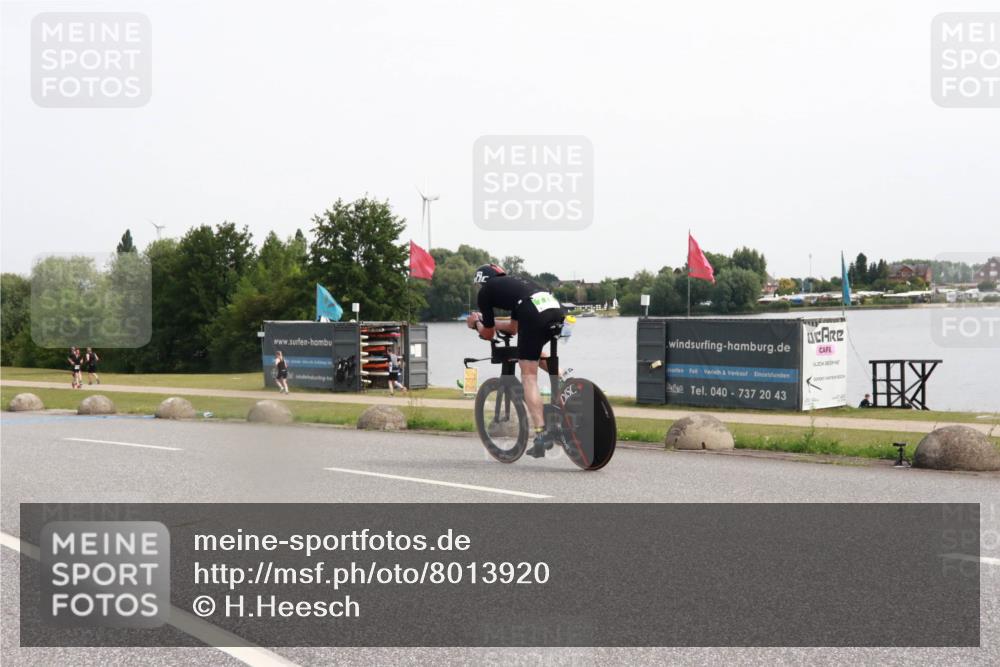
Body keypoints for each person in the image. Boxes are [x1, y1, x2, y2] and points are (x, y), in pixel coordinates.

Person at [467, 263, 565, 457]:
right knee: (533, 353)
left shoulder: (486, 291)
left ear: (481, 281)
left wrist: (476, 323)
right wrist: (492, 324)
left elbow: (487, 334)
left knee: (528, 374)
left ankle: (541, 433)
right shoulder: (516, 284)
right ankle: (562, 378)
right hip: (555, 309)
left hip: (531, 312)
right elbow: (513, 328)